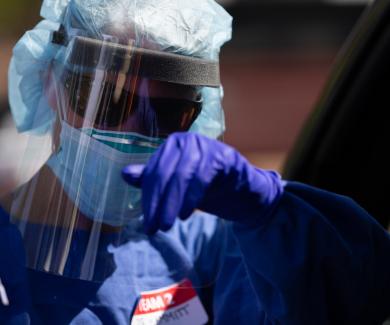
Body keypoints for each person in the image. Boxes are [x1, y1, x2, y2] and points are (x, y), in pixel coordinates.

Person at [1, 0, 390, 324]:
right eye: (110, 101)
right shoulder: (8, 256)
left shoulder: (205, 244)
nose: (135, 132)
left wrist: (270, 211)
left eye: (169, 113)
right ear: (53, 81)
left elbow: (356, 299)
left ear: (197, 115)